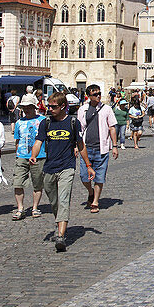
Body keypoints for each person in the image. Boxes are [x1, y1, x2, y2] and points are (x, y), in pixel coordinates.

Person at [29, 91, 94, 252]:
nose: (49, 109)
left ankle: (60, 236)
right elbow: (39, 141)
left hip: (67, 167)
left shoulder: (73, 122)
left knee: (63, 199)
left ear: (63, 106)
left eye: (53, 106)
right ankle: (60, 224)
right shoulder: (46, 123)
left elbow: (81, 145)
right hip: (49, 167)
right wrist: (33, 155)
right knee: (54, 201)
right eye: (48, 106)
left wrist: (88, 165)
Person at [76, 84, 118, 213]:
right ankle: (91, 191)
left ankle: (95, 201)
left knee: (99, 177)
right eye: (95, 94)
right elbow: (79, 129)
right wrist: (76, 146)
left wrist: (115, 146)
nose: (98, 96)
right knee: (84, 176)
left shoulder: (106, 109)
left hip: (102, 148)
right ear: (89, 96)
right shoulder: (82, 110)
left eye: (99, 93)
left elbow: (112, 127)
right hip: (86, 148)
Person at [11, 94, 46, 220]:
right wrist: (17, 154)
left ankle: (35, 207)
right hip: (22, 156)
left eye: (29, 107)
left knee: (37, 184)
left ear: (34, 107)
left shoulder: (43, 120)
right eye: (24, 107)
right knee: (18, 183)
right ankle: (20, 208)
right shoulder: (19, 122)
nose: (26, 109)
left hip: (39, 156)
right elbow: (17, 140)